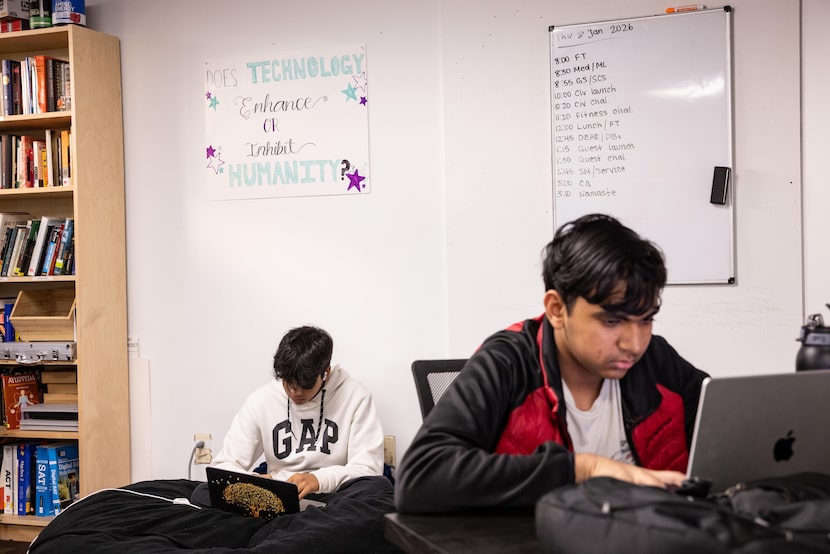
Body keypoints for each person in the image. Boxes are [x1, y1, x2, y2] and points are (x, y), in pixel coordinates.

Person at [395, 213, 709, 513]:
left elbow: (721, 430)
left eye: (646, 320)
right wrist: (583, 468)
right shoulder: (507, 362)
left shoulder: (655, 360)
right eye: (612, 321)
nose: (634, 344)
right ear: (557, 309)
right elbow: (420, 477)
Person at [210, 325, 388, 501]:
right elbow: (224, 465)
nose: (295, 392)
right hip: (281, 495)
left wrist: (317, 480)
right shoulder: (261, 400)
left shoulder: (355, 396)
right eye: (288, 382)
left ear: (326, 372)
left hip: (334, 495)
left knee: (378, 487)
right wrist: (253, 483)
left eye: (305, 385)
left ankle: (305, 517)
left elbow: (368, 469)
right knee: (203, 491)